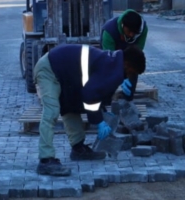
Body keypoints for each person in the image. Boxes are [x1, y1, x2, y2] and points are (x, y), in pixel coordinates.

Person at [32, 43, 147, 177]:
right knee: (51, 112)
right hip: (49, 69)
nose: (129, 77)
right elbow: (90, 95)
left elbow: (97, 91)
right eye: (132, 73)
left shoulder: (113, 61)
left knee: (71, 107)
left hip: (64, 73)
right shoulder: (114, 70)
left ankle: (78, 148)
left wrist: (102, 111)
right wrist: (98, 121)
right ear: (127, 65)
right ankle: (46, 160)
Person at [101, 9, 148, 100]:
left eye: (134, 32)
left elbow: (136, 55)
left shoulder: (143, 29)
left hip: (130, 51)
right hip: (113, 51)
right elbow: (110, 60)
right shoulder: (109, 32)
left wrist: (128, 74)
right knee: (109, 74)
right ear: (123, 26)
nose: (131, 35)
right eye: (129, 31)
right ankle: (106, 100)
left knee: (133, 68)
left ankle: (128, 100)